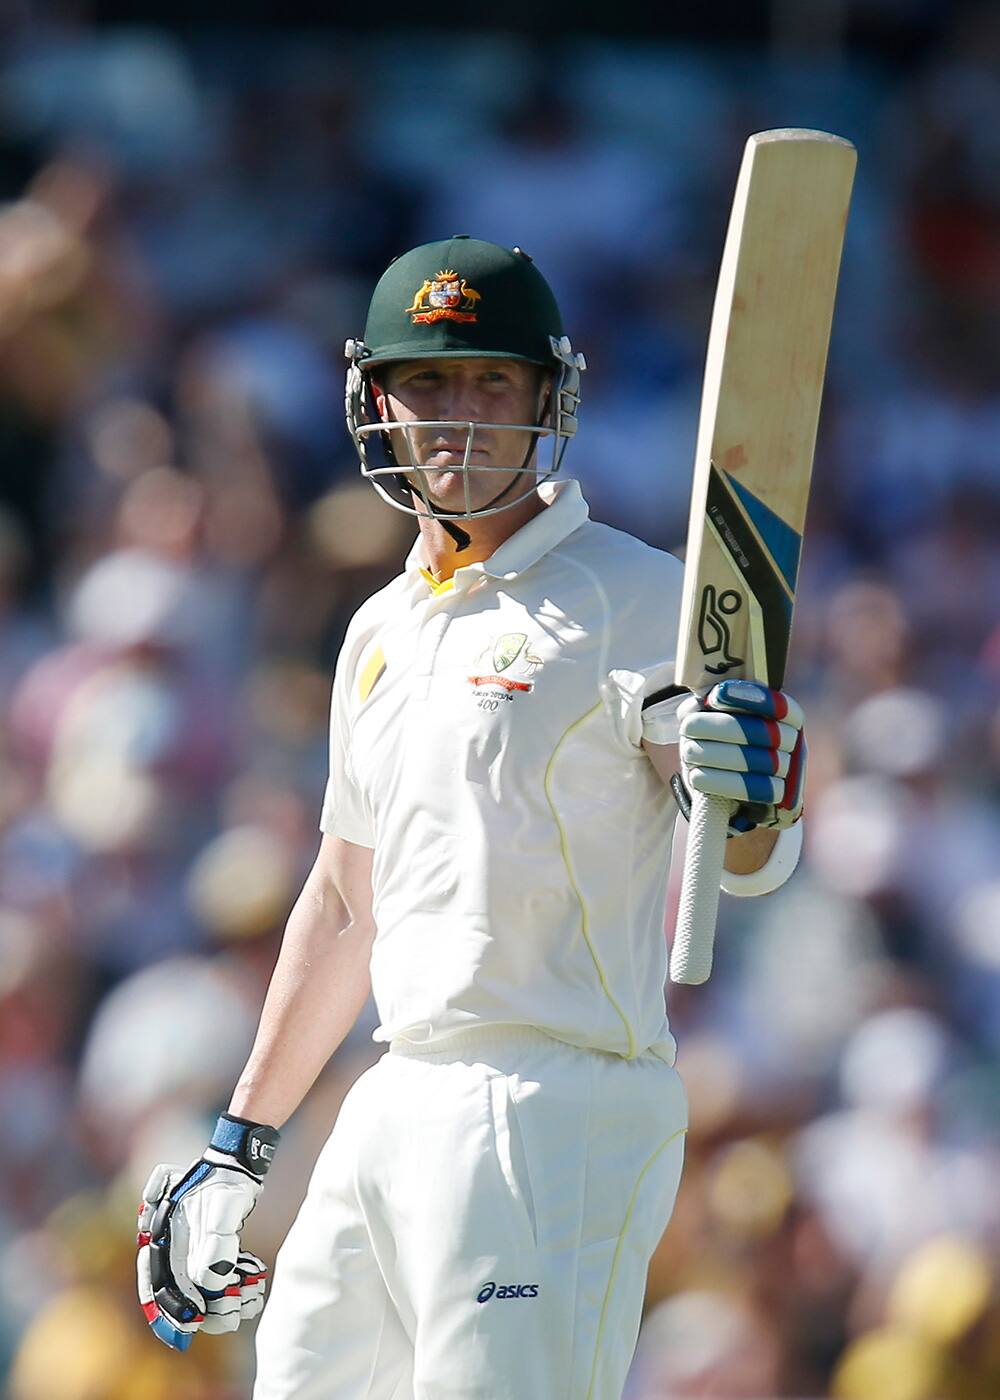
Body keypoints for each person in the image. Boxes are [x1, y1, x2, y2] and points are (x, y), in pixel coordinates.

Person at [136, 238, 806, 1399]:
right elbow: (348, 902)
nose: (458, 418)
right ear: (374, 401)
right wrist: (237, 1146)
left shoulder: (641, 596)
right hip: (395, 1093)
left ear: (548, 402)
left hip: (557, 1099)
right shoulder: (381, 628)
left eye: (491, 382)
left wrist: (756, 783)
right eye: (428, 383)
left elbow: (740, 842)